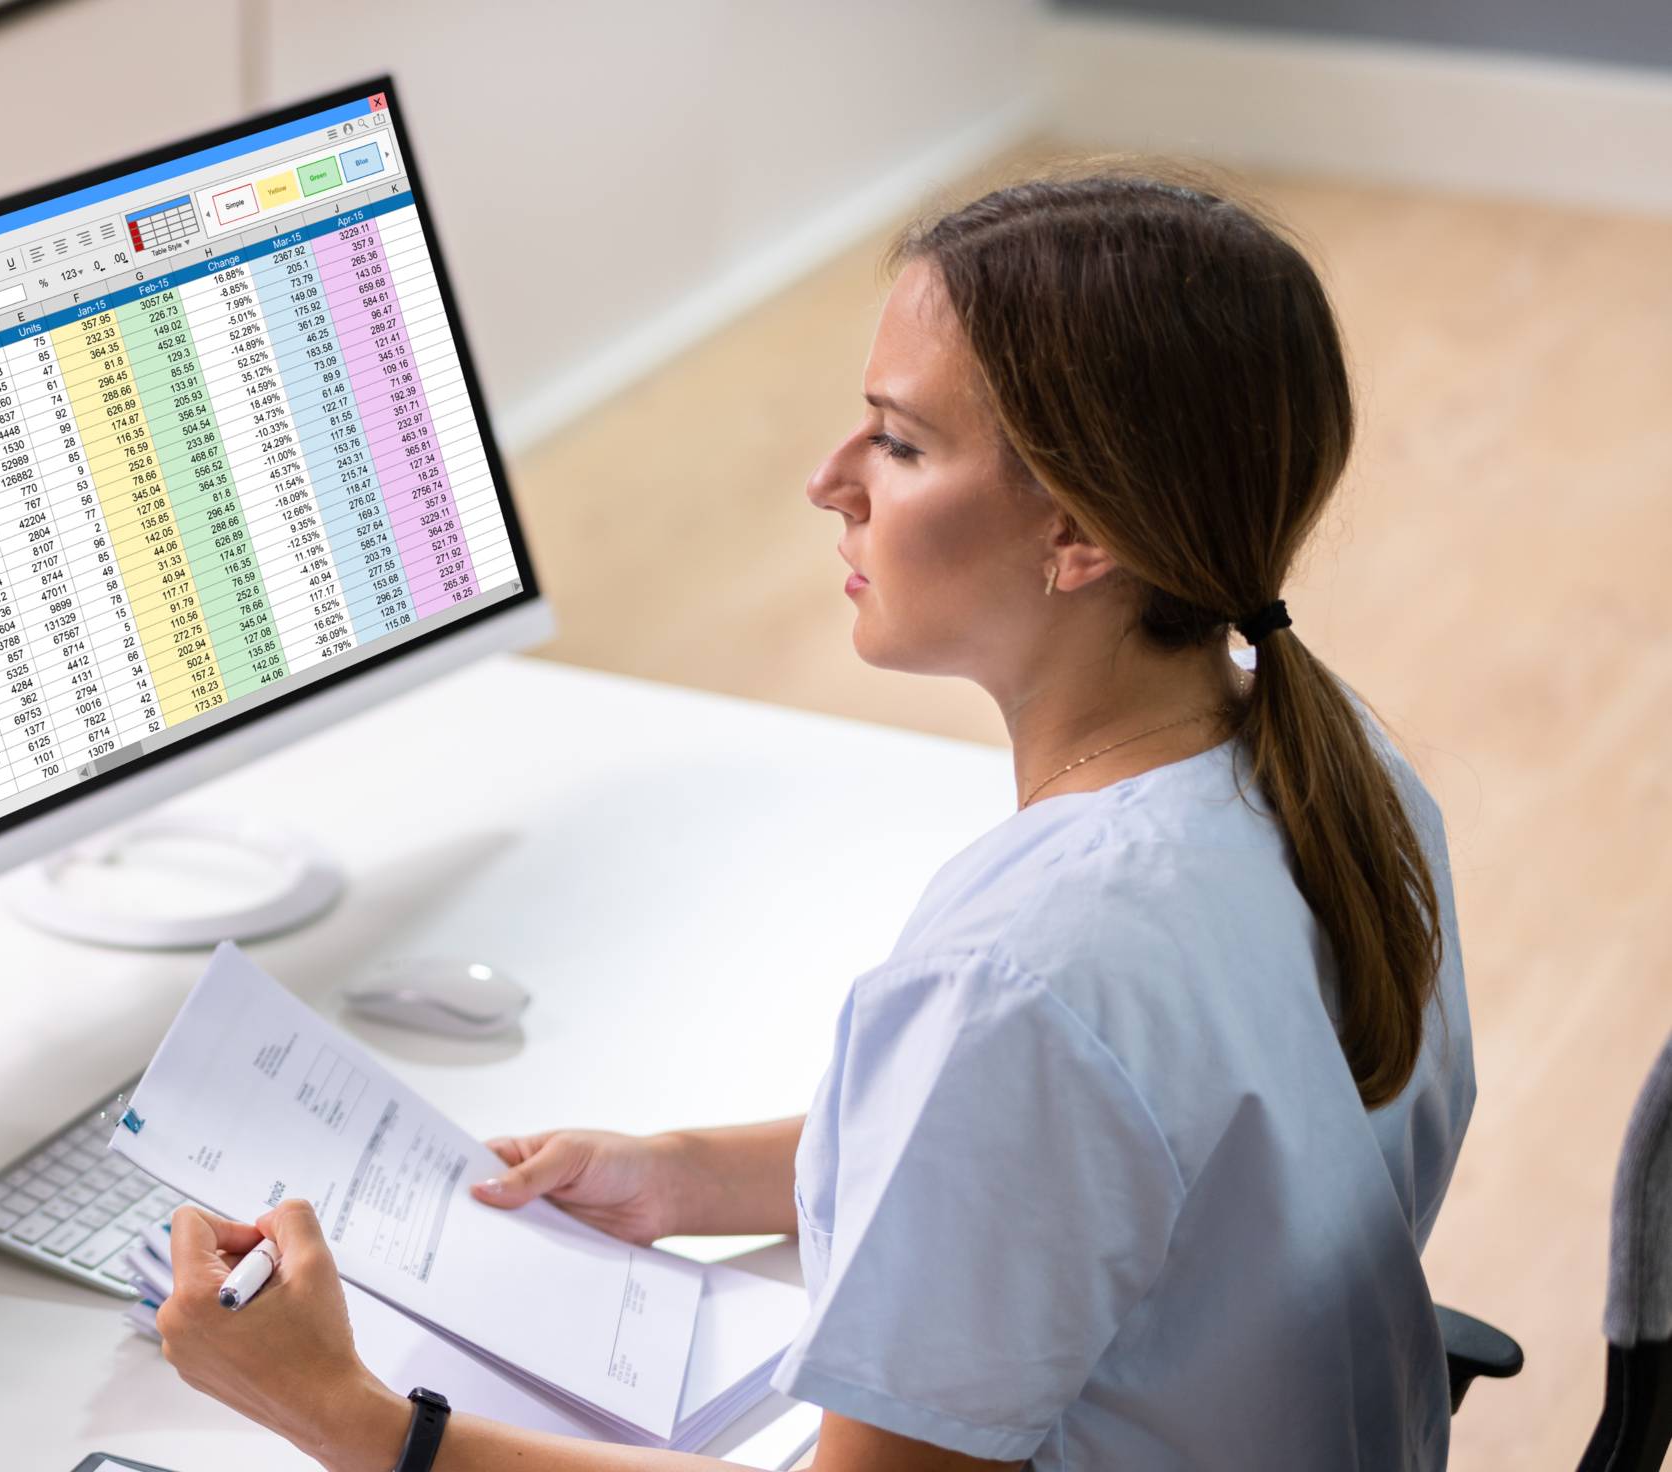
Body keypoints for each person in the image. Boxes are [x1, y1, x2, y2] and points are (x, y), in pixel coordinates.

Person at [149, 170, 1475, 1470]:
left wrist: (361, 1423)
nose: (829, 480)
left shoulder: (1024, 980)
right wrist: (679, 1177)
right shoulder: (1333, 765)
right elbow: (1091, 1171)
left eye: (899, 443)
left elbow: (1036, 1103)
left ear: (1077, 535)